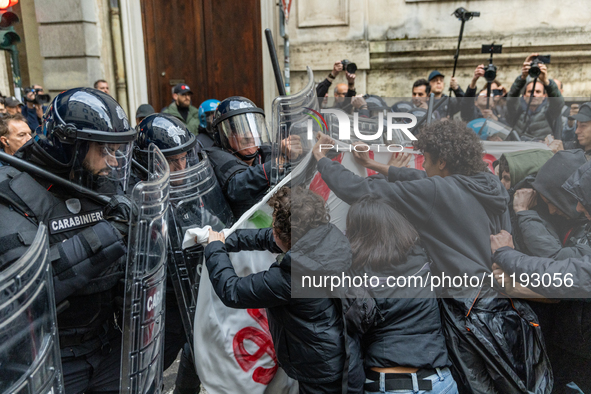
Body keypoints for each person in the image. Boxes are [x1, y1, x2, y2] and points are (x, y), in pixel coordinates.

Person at [312, 120, 551, 393]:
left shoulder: (438, 192)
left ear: (443, 161)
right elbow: (423, 181)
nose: (422, 165)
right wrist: (377, 165)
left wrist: (322, 159)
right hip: (498, 303)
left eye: (425, 159)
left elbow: (361, 191)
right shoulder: (488, 184)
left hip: (465, 313)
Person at [2, 87, 136, 393]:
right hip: (51, 358)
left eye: (116, 151)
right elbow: (32, 287)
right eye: (103, 149)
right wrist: (111, 233)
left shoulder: (96, 181)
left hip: (108, 344)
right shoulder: (10, 194)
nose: (113, 162)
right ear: (69, 146)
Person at [204, 186, 352, 394]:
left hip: (319, 367)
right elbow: (271, 237)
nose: (272, 230)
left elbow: (232, 290)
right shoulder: (328, 237)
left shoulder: (290, 279)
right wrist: (227, 239)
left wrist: (214, 249)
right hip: (336, 349)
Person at [134, 113, 229, 394]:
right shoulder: (134, 201)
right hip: (159, 308)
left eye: (184, 157)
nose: (181, 167)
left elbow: (212, 221)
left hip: (190, 294)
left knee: (197, 347)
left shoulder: (186, 194)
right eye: (171, 161)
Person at [345, 195, 458, 394]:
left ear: (357, 232)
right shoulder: (424, 256)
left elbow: (354, 324)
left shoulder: (354, 273)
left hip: (386, 382)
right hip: (438, 381)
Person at [204, 96, 302, 217]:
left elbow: (298, 181)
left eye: (254, 128)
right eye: (240, 129)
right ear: (223, 135)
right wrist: (280, 162)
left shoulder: (267, 152)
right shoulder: (216, 157)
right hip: (238, 230)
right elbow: (237, 187)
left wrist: (300, 156)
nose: (250, 135)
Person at [511, 150, 589, 259]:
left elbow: (558, 260)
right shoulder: (569, 218)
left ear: (569, 197)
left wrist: (523, 212)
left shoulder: (586, 226)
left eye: (552, 203)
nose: (551, 211)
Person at [506, 53, 564, 140]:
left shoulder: (550, 112)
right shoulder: (518, 110)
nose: (534, 94)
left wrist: (546, 82)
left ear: (544, 96)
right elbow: (511, 99)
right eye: (530, 91)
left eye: (538, 91)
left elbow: (558, 102)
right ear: (524, 95)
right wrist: (522, 77)